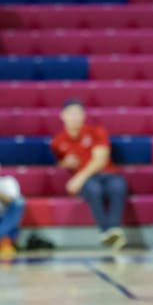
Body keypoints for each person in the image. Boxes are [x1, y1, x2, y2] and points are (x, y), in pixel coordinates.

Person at [49, 99, 128, 250]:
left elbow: (100, 159)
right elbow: (59, 162)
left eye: (78, 113)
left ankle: (111, 230)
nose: (75, 117)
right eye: (71, 114)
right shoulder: (57, 142)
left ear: (84, 115)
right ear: (63, 116)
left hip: (106, 173)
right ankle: (111, 232)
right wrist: (65, 163)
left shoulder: (96, 131)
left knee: (118, 186)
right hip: (90, 181)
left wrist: (78, 178)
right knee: (93, 189)